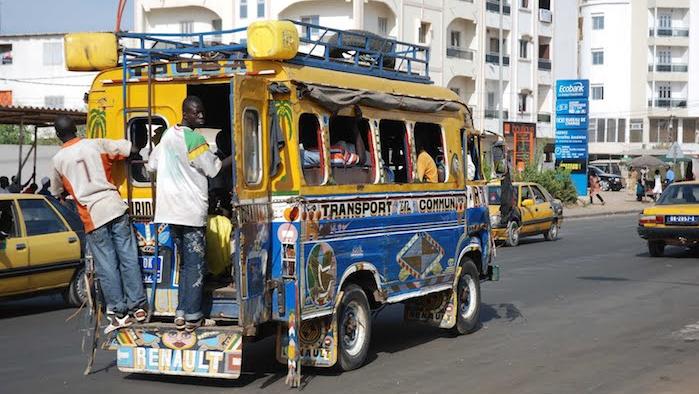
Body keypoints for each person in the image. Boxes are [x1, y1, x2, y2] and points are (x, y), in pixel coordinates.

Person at [50, 115, 147, 334]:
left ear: (57, 135)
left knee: (107, 266)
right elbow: (130, 149)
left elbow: (57, 192)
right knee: (128, 258)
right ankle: (138, 307)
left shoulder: (58, 160)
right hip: (115, 206)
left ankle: (120, 313)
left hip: (93, 216)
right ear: (77, 129)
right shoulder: (95, 144)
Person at [147, 96, 233, 332]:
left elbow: (151, 166)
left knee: (184, 265)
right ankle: (194, 316)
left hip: (169, 211)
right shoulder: (194, 138)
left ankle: (181, 312)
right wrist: (235, 157)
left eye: (202, 112)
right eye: (197, 113)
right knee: (195, 265)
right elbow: (213, 169)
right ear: (186, 113)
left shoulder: (166, 136)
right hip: (190, 211)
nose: (201, 117)